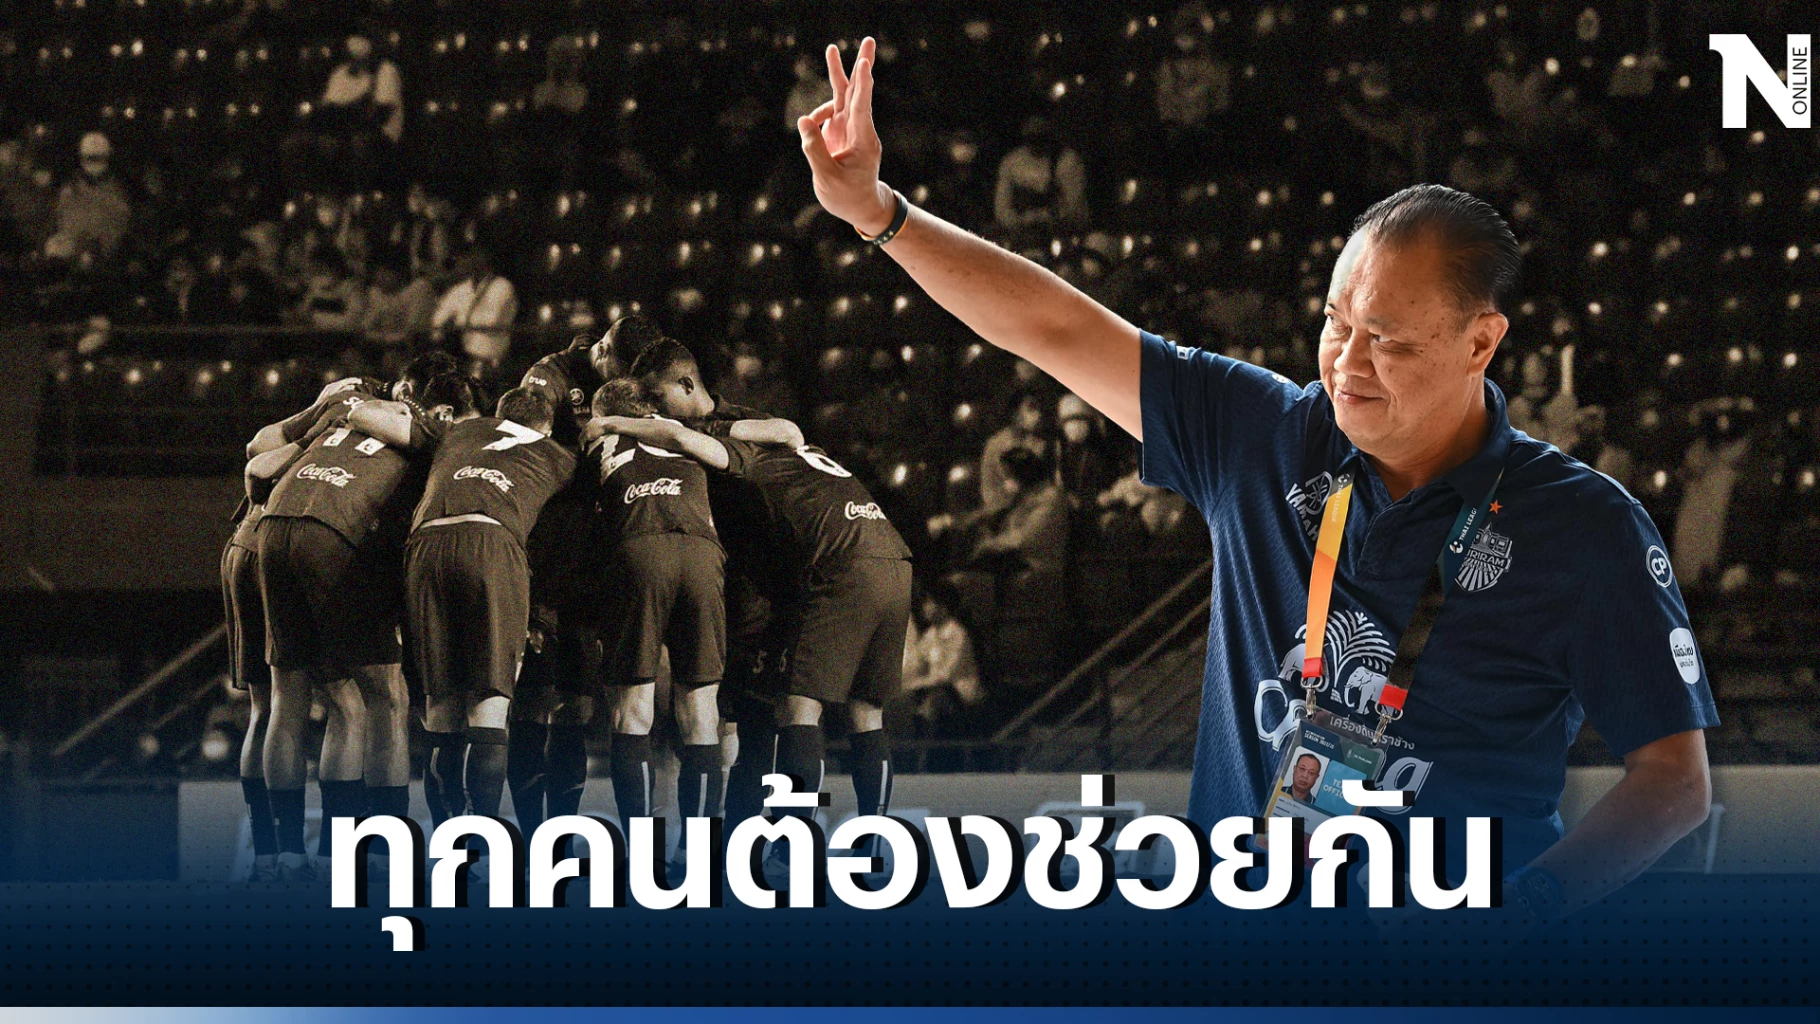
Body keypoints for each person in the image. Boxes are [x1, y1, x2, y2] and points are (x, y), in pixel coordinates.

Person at [795, 39, 1716, 927]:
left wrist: (1528, 911)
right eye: (1336, 323)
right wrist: (880, 212)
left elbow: (1673, 782)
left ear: (1482, 341)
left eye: (1389, 341)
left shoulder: (1586, 524)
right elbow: (1057, 327)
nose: (1347, 363)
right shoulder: (1266, 435)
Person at [625, 340, 910, 880]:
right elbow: (787, 431)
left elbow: (691, 439)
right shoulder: (777, 440)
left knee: (799, 710)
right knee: (866, 712)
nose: (659, 414)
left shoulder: (743, 449)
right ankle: (873, 844)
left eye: (661, 401)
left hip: (839, 563)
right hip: (891, 553)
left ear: (687, 385)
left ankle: (794, 845)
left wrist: (613, 423)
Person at [247, 376, 408, 880]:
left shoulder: (335, 413)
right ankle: (366, 854)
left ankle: (283, 855)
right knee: (375, 700)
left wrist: (318, 415)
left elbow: (255, 463)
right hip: (331, 537)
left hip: (263, 534)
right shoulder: (417, 427)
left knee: (281, 699)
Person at [395, 383, 577, 828]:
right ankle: (482, 840)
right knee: (489, 708)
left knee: (441, 709)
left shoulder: (459, 432)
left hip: (424, 545)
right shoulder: (559, 455)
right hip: (492, 542)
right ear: (546, 427)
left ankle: (449, 843)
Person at [585, 379, 729, 830]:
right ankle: (700, 849)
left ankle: (642, 849)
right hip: (703, 551)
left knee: (633, 709)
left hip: (640, 547)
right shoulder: (684, 433)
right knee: (701, 710)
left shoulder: (600, 440)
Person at [431, 245, 519, 378]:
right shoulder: (461, 289)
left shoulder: (502, 286)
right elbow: (437, 320)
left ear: (483, 259)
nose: (464, 261)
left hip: (491, 362)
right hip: (462, 358)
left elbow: (491, 321)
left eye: (470, 257)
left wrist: (457, 321)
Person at [992, 116, 1088, 238]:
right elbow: (1002, 206)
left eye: (1040, 137)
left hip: (1058, 231)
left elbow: (1074, 207)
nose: (1036, 143)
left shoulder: (1067, 161)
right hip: (1020, 231)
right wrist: (1018, 222)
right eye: (1031, 137)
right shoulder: (1012, 162)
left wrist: (1043, 217)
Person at [47, 132, 131, 263]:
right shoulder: (68, 192)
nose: (94, 164)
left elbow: (117, 235)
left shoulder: (116, 195)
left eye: (99, 158)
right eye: (90, 158)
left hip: (102, 262)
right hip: (70, 259)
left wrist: (95, 250)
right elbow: (59, 225)